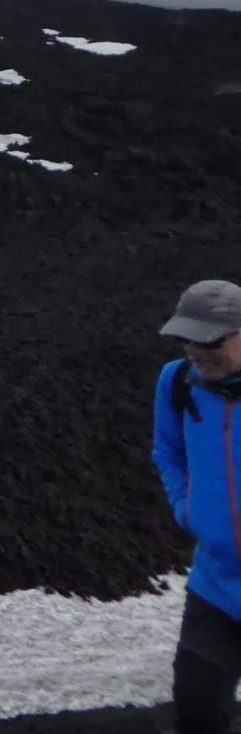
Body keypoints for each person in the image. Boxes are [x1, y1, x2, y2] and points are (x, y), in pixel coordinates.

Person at [153, 279, 241, 734]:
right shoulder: (176, 383)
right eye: (188, 338)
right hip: (216, 587)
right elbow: (167, 451)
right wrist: (187, 509)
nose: (197, 350)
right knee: (198, 712)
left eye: (210, 340)